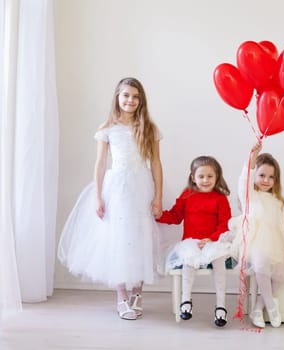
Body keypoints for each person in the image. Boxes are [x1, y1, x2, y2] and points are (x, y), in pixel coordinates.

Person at [58, 77, 163, 320]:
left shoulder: (149, 128)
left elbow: (156, 163)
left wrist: (157, 196)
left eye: (136, 97)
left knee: (141, 235)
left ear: (141, 100)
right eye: (126, 95)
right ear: (117, 97)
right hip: (117, 188)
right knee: (119, 238)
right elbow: (100, 164)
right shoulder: (107, 128)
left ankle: (138, 292)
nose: (131, 100)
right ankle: (122, 297)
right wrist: (97, 197)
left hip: (141, 185)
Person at [156, 156, 232, 327]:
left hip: (212, 241)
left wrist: (211, 239)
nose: (205, 180)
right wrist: (159, 216)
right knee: (188, 258)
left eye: (210, 176)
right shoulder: (187, 195)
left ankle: (221, 306)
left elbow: (224, 225)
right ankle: (186, 301)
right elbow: (175, 217)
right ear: (193, 177)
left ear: (217, 176)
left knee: (219, 258)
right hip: (191, 241)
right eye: (201, 176)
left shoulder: (220, 198)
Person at [229, 141, 284, 328]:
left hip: (274, 242)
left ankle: (258, 308)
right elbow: (244, 183)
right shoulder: (250, 196)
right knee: (261, 262)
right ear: (254, 175)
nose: (266, 180)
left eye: (271, 177)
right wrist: (251, 159)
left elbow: (283, 226)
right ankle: (272, 307)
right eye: (262, 175)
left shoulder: (277, 201)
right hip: (254, 239)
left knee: (280, 273)